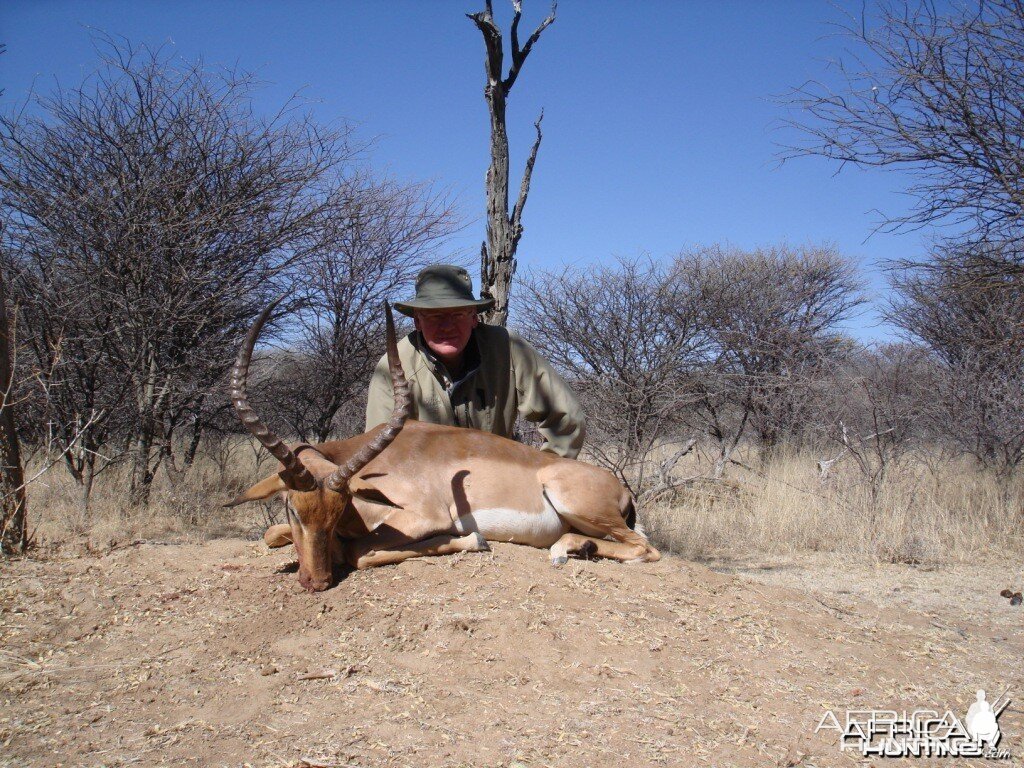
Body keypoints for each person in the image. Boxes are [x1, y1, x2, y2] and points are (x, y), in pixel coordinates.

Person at [365, 264, 585, 459]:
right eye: (434, 315)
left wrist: (545, 473)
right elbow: (380, 449)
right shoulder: (394, 366)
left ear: (473, 318)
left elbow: (566, 417)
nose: (447, 326)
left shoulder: (508, 348)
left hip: (497, 482)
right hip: (426, 490)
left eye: (458, 314)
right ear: (417, 322)